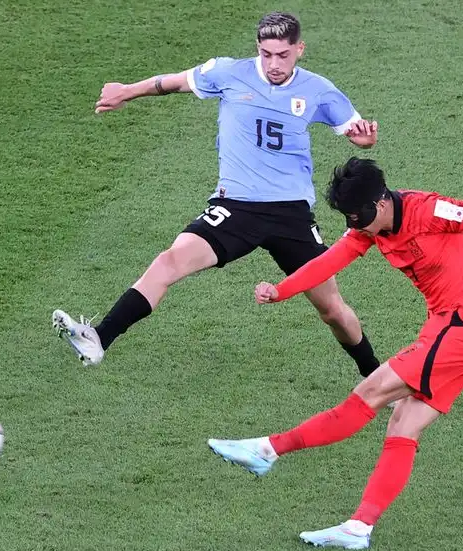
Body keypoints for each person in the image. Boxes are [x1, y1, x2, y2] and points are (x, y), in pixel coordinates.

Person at [207, 157, 463, 550]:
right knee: (403, 427)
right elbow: (327, 262)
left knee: (368, 396)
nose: (352, 225)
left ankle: (267, 450)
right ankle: (359, 528)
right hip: (452, 330)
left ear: (381, 202)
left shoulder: (432, 211)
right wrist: (281, 290)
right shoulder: (370, 228)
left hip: (461, 332)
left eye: (357, 215)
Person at [52, 12, 382, 379]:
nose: (274, 63)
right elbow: (173, 83)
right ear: (257, 48)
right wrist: (126, 91)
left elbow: (354, 129)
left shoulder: (319, 89)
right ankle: (98, 338)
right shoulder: (227, 73)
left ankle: (376, 378)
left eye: (283, 55)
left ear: (299, 50)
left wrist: (363, 139)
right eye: (266, 53)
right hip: (235, 206)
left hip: (291, 213)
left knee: (332, 309)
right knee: (168, 262)